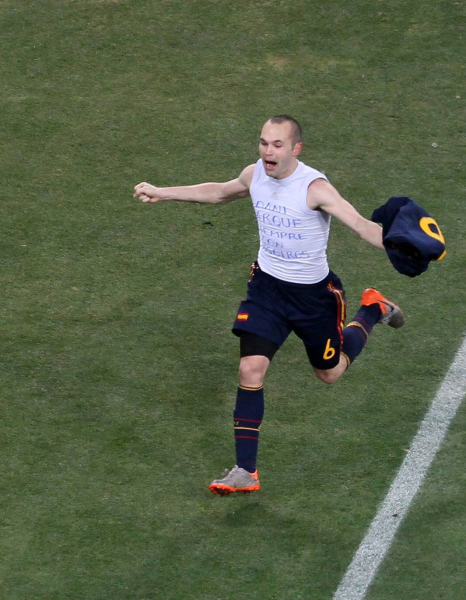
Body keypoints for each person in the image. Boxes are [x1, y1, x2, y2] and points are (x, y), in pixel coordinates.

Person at [134, 115, 404, 495]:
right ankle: (246, 471)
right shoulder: (255, 174)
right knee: (250, 369)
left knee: (330, 373)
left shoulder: (315, 188)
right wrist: (163, 192)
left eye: (277, 145)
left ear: (296, 149)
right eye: (263, 143)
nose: (267, 152)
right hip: (267, 290)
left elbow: (360, 225)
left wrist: (397, 243)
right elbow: (219, 192)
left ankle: (373, 309)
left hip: (314, 298)